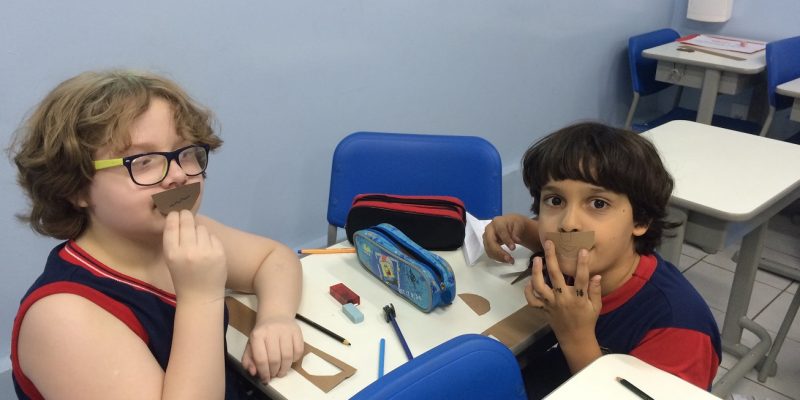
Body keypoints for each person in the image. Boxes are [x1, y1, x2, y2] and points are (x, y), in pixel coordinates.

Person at [9, 70, 304, 399]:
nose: (177, 175)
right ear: (75, 188)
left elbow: (273, 259)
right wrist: (201, 297)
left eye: (185, 152)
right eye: (143, 161)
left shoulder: (182, 235)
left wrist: (276, 318)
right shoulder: (62, 320)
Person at [483, 122, 720, 398]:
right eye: (555, 200)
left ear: (641, 220)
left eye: (598, 203)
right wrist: (522, 229)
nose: (568, 224)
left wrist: (575, 336)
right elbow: (562, 241)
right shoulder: (590, 255)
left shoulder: (680, 329)